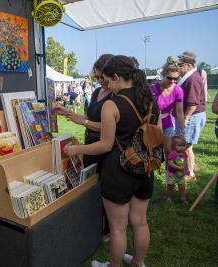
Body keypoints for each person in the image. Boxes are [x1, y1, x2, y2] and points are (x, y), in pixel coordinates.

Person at [63, 55, 160, 267]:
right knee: (140, 222)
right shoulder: (149, 100)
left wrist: (76, 149)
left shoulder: (112, 104)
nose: (105, 85)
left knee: (117, 228)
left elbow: (105, 145)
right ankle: (138, 262)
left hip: (119, 170)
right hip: (145, 167)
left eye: (106, 81)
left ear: (117, 77)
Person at [55, 54, 114, 240]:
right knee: (91, 184)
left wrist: (85, 122)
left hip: (105, 146)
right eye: (96, 77)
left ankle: (108, 228)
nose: (99, 80)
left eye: (101, 76)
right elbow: (87, 117)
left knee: (106, 188)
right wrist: (69, 113)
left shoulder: (115, 94)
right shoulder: (97, 92)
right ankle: (94, 223)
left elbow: (107, 126)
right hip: (91, 143)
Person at [176, 51, 206, 180]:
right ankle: (191, 167)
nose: (178, 68)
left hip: (192, 116)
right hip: (192, 115)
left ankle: (189, 173)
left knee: (186, 146)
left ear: (188, 65)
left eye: (180, 65)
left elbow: (193, 104)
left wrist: (185, 119)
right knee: (187, 146)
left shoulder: (192, 79)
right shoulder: (190, 76)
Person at [151, 57, 185, 170]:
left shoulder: (178, 90)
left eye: (176, 78)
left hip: (167, 122)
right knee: (151, 151)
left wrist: (182, 130)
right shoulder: (153, 88)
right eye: (170, 78)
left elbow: (179, 112)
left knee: (169, 152)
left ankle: (169, 179)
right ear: (164, 74)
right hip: (154, 123)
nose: (173, 81)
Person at [165, 135, 188, 204]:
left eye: (184, 145)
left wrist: (186, 169)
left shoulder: (184, 153)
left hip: (181, 174)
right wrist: (179, 168)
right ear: (173, 146)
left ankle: (183, 198)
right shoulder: (172, 154)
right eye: (179, 145)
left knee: (182, 186)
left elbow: (185, 161)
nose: (182, 147)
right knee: (170, 186)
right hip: (172, 174)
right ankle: (167, 197)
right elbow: (170, 163)